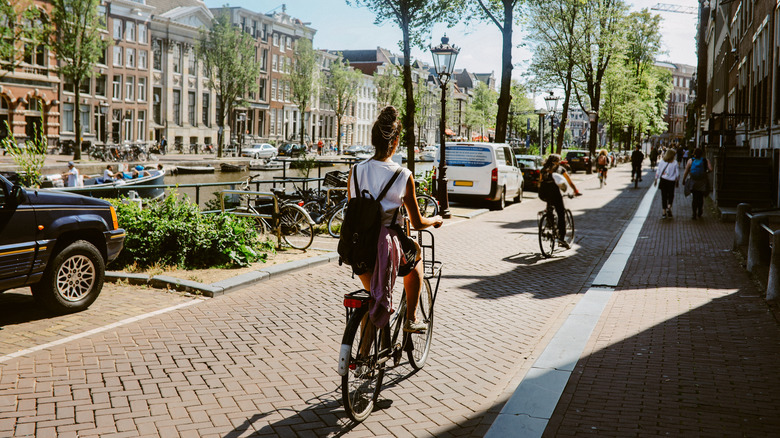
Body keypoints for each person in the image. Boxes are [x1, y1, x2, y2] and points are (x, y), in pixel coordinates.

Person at [348, 106, 443, 333]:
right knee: (416, 259)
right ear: (396, 140)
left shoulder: (356, 170)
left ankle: (362, 357)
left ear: (372, 139)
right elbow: (417, 222)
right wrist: (435, 219)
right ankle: (411, 319)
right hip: (387, 246)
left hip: (357, 246)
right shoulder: (403, 175)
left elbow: (354, 206)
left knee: (372, 298)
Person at [539, 154, 582, 249]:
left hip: (542, 194)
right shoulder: (560, 169)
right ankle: (562, 238)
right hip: (554, 194)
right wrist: (575, 191)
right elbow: (569, 182)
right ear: (557, 161)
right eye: (559, 160)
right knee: (561, 213)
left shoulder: (543, 169)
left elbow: (540, 181)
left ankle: (549, 222)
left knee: (550, 205)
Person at [682, 148, 712, 220]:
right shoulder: (705, 160)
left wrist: (684, 180)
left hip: (693, 181)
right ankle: (700, 211)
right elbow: (711, 169)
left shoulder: (690, 160)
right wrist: (706, 172)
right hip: (702, 181)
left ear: (694, 153)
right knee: (700, 197)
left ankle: (694, 213)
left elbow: (686, 170)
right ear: (702, 154)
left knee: (694, 197)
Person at [654, 148, 679, 219]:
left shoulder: (662, 162)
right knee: (671, 195)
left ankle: (664, 212)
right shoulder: (675, 163)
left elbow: (658, 171)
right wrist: (677, 180)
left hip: (663, 180)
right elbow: (677, 174)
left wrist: (656, 179)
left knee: (663, 196)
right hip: (671, 181)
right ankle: (669, 206)